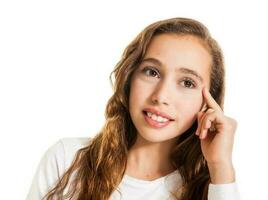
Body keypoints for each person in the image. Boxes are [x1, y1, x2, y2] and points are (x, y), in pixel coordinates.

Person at [26, 17, 241, 200]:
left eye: (187, 83)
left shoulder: (212, 187)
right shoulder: (67, 160)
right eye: (152, 72)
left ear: (207, 102)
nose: (161, 96)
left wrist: (220, 165)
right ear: (129, 78)